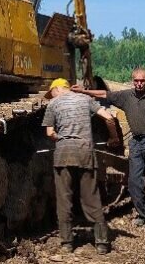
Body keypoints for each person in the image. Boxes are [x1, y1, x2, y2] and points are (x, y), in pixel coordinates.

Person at [73, 68, 145, 229]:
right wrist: (84, 92)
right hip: (136, 143)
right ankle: (143, 214)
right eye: (136, 81)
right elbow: (104, 94)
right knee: (134, 182)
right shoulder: (126, 96)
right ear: (132, 81)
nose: (139, 84)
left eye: (142, 81)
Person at [42, 78, 121, 254]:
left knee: (64, 198)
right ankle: (101, 243)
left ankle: (67, 243)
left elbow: (50, 132)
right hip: (85, 152)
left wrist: (60, 138)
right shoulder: (86, 100)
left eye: (51, 92)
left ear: (57, 89)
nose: (51, 95)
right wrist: (114, 138)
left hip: (63, 154)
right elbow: (109, 117)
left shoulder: (53, 104)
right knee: (91, 197)